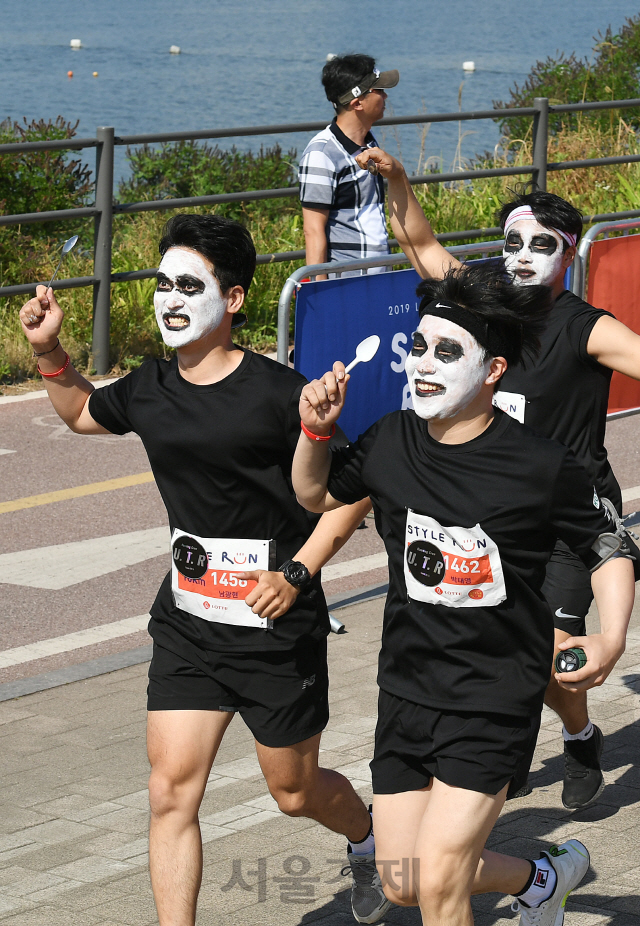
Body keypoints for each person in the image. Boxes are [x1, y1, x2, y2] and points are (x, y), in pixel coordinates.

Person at [18, 213, 391, 926]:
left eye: (189, 284)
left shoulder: (281, 394)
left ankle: (366, 836)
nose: (170, 298)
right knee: (170, 792)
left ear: (236, 299)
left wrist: (299, 576)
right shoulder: (152, 385)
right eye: (162, 284)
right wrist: (49, 349)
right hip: (190, 622)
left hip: (274, 623)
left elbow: (353, 493)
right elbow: (81, 414)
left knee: (293, 792)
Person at [291, 261, 634, 926]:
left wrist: (612, 634)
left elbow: (609, 544)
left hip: (493, 695)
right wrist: (315, 431)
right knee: (403, 880)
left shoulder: (538, 464)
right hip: (407, 689)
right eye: (418, 347)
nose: (425, 363)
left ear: (494, 369)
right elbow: (313, 494)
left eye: (448, 352)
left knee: (443, 881)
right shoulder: (391, 440)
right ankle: (542, 879)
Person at [357, 144, 640, 811]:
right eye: (512, 238)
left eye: (542, 242)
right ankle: (575, 731)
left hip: (569, 516)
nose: (522, 252)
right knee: (508, 638)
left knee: (544, 641)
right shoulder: (480, 308)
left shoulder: (586, 328)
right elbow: (420, 241)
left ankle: (555, 742)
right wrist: (397, 179)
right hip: (492, 511)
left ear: (569, 253)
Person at [298, 53, 399, 279]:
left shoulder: (368, 143)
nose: (386, 96)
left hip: (377, 274)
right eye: (379, 90)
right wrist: (319, 288)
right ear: (357, 102)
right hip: (346, 280)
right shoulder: (321, 154)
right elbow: (313, 231)